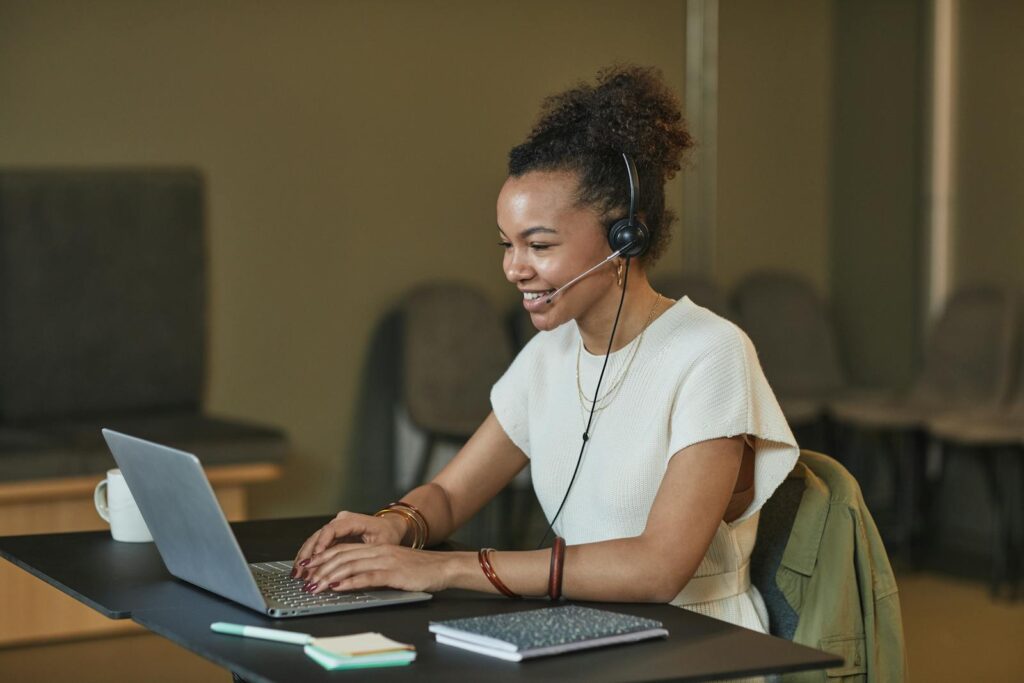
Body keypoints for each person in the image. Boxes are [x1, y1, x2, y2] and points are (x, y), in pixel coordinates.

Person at [292, 65, 798, 634]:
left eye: (539, 245)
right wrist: (395, 526)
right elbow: (449, 495)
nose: (514, 268)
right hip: (583, 630)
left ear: (625, 237)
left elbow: (657, 570)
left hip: (697, 641)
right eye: (508, 245)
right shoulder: (548, 354)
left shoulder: (711, 354)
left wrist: (446, 568)